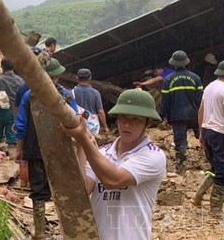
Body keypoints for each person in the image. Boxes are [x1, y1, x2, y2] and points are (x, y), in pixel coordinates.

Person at [62, 89, 166, 240]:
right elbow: (83, 190)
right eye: (123, 118)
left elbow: (113, 180)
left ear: (148, 123)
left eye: (136, 119)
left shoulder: (153, 155)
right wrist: (81, 146)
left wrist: (84, 139)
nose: (127, 125)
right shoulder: (103, 153)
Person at [15, 58, 77, 239]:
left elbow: (21, 125)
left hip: (35, 149)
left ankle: (40, 231)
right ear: (57, 76)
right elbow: (76, 120)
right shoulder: (67, 95)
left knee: (38, 189)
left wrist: (20, 149)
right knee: (64, 189)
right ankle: (69, 229)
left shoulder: (29, 95)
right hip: (61, 149)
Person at [190, 60, 224, 218]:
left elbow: (200, 111)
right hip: (220, 134)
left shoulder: (209, 87)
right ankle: (216, 209)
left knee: (215, 167)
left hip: (207, 131)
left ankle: (198, 197)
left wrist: (200, 133)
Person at [160, 50, 203, 174]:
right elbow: (200, 99)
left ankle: (180, 167)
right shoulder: (195, 78)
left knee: (180, 142)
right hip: (194, 115)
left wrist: (165, 116)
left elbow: (165, 101)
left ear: (173, 64)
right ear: (186, 63)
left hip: (177, 115)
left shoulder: (168, 80)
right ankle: (208, 160)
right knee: (202, 136)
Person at [0, 58, 24, 158]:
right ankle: (12, 162)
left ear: (2, 67)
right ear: (14, 67)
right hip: (13, 111)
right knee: (11, 136)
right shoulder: (20, 81)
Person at [73, 68, 109, 134]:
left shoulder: (72, 92)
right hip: (92, 126)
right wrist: (105, 126)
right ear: (90, 78)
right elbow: (100, 111)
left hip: (77, 124)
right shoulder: (95, 93)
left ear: (77, 78)